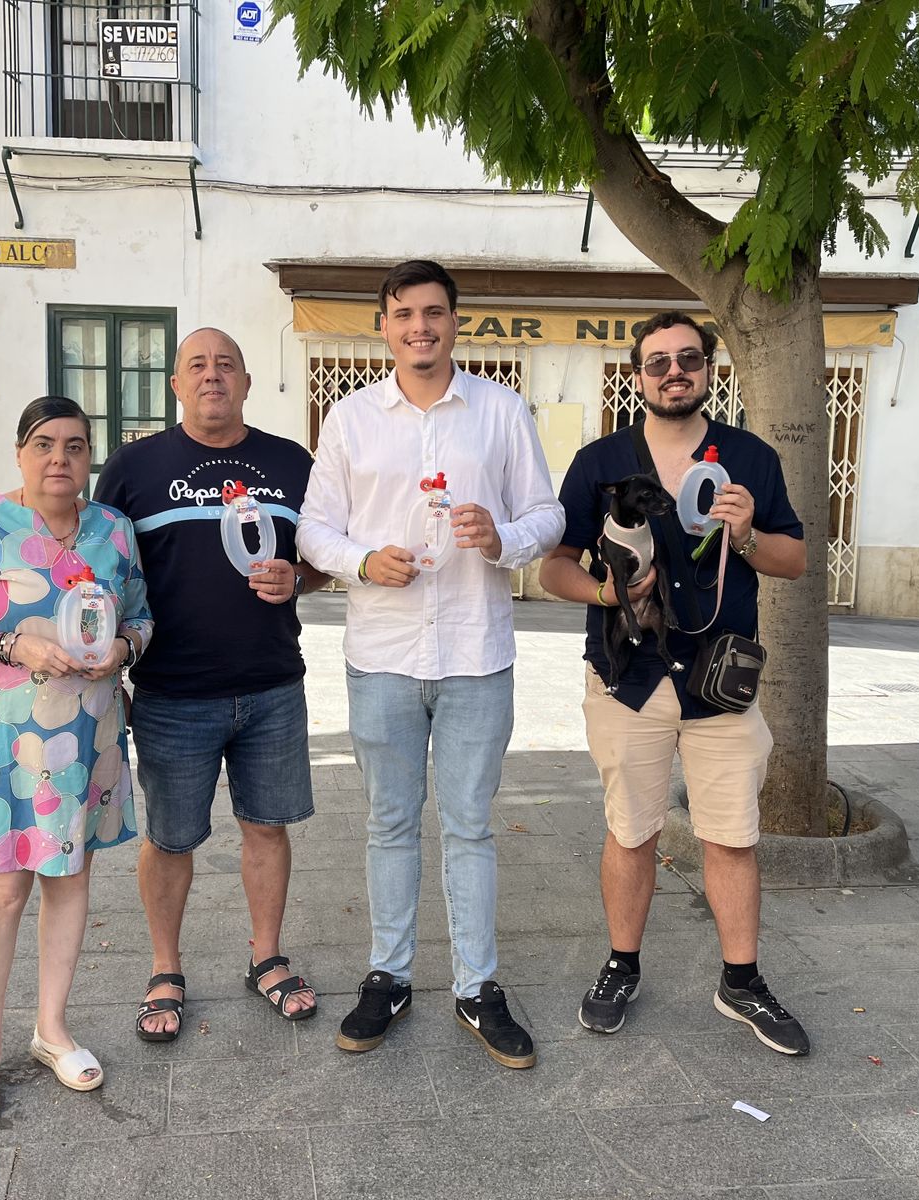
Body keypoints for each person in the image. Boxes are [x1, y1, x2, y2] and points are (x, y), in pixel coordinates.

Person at [296, 260, 565, 1070]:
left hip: (477, 653)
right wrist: (362, 560)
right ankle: (390, 976)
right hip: (383, 654)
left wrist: (504, 539)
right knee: (388, 823)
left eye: (435, 312)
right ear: (384, 325)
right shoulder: (350, 419)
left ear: (455, 322)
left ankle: (478, 987)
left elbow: (547, 514)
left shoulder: (500, 410)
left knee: (469, 825)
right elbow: (313, 528)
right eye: (405, 313)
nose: (421, 327)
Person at [538, 311, 810, 1055]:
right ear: (638, 377)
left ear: (709, 369)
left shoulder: (749, 458)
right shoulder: (600, 463)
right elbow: (554, 566)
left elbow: (794, 562)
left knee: (732, 835)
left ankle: (741, 981)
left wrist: (747, 535)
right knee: (632, 830)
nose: (673, 373)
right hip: (629, 676)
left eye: (688, 359)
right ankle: (621, 966)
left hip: (721, 681)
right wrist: (606, 593)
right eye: (657, 362)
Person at [0, 395, 152, 1125]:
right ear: (20, 453)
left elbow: (142, 615)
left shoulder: (113, 530)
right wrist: (13, 645)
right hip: (3, 746)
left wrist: (123, 647)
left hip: (87, 737)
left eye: (75, 446)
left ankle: (52, 1029)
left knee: (69, 881)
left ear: (90, 457)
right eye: (44, 444)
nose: (59, 459)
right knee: (2, 891)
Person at [93, 328, 328, 1042]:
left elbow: (325, 556)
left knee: (267, 827)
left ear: (247, 382)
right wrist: (107, 666)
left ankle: (267, 957)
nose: (212, 375)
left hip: (271, 684)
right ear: (176, 384)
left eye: (226, 364)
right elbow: (100, 572)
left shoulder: (291, 462)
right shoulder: (134, 467)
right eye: (196, 365)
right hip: (172, 691)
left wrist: (301, 578)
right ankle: (165, 968)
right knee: (170, 839)